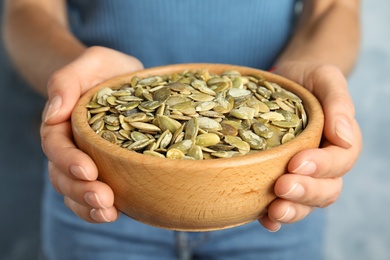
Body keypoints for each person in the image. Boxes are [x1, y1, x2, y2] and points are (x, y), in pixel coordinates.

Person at [3, 0, 362, 259]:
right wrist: (74, 76)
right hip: (104, 185)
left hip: (269, 191)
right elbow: (27, 9)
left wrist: (310, 69)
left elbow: (334, 8)